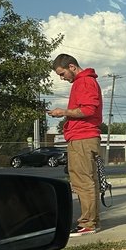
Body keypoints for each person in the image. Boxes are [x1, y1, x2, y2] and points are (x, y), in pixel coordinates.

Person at [49, 54, 103, 236]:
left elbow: (88, 109)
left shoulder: (84, 82)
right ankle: (92, 221)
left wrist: (63, 112)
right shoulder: (85, 82)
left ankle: (87, 224)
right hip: (84, 137)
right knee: (88, 180)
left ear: (72, 67)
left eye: (62, 73)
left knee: (82, 181)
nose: (62, 78)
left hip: (82, 137)